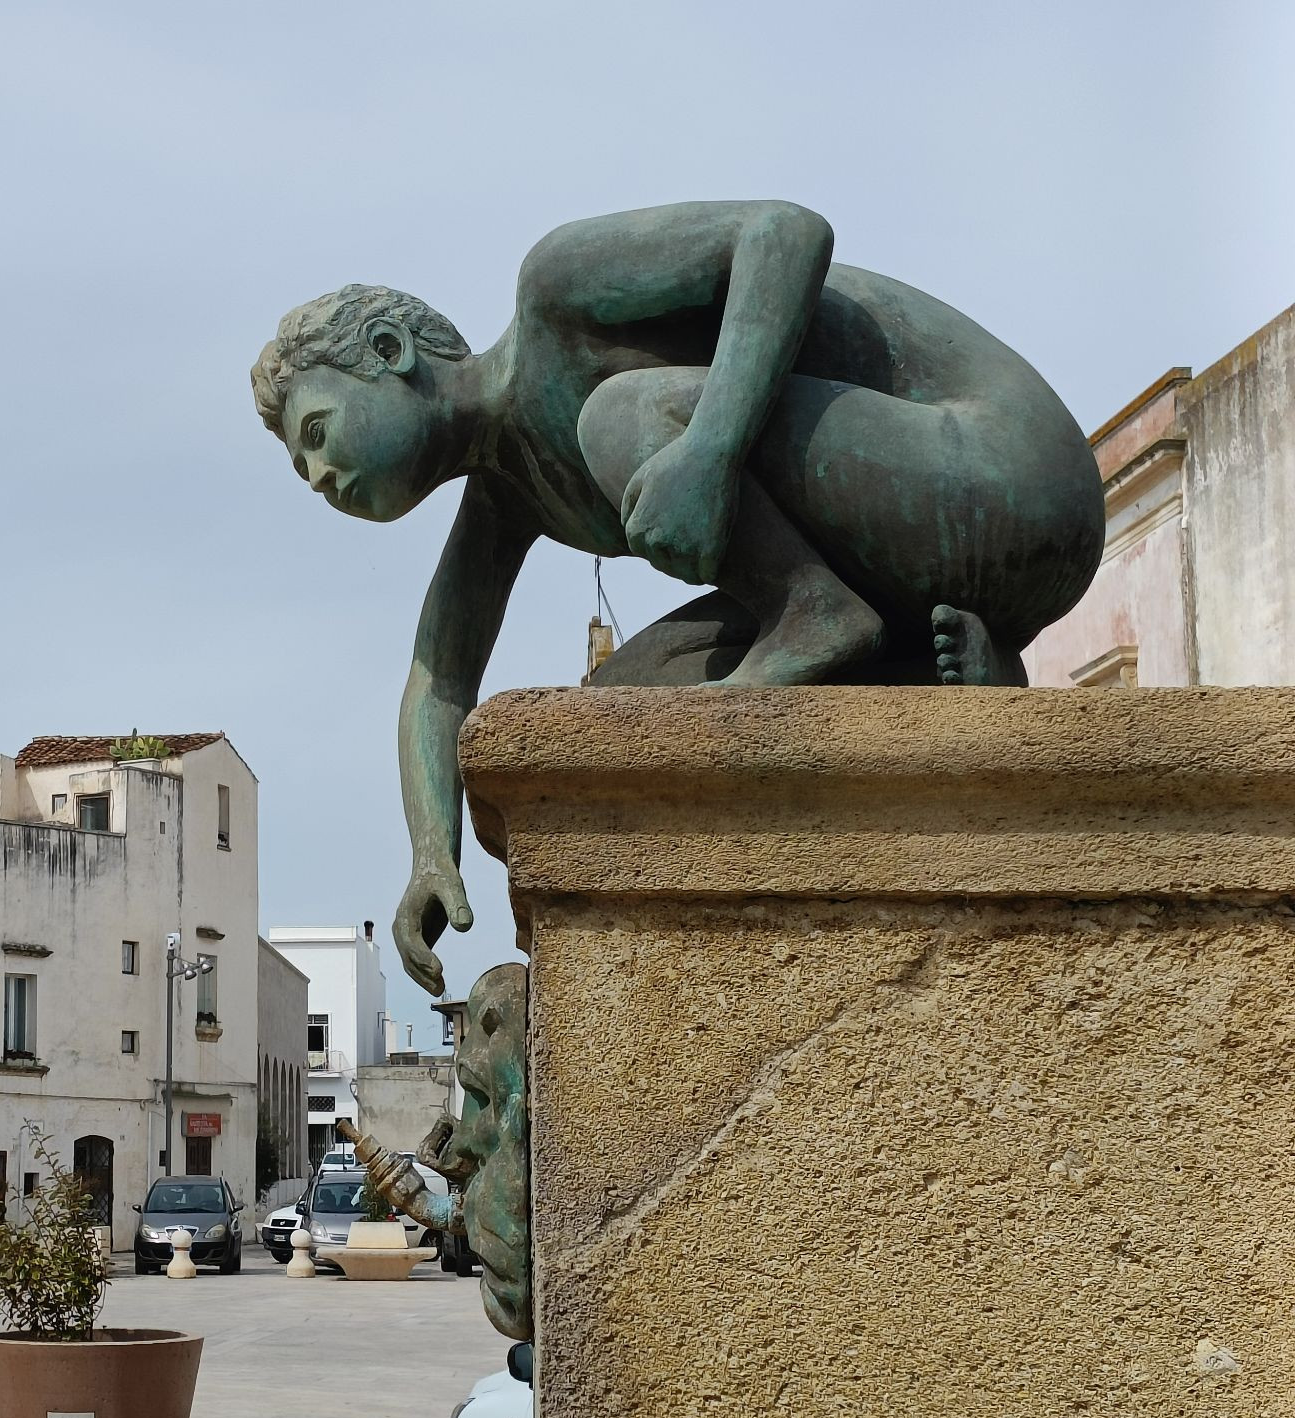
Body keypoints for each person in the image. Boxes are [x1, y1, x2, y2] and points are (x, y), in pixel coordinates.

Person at [251, 200, 1103, 995]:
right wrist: (432, 857)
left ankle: (814, 617)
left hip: (1009, 472)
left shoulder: (556, 294)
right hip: (932, 561)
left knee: (620, 417)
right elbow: (438, 681)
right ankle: (927, 664)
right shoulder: (506, 498)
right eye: (300, 470)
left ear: (391, 352)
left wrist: (711, 450)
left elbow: (785, 233)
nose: (319, 475)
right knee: (624, 700)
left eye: (318, 433)